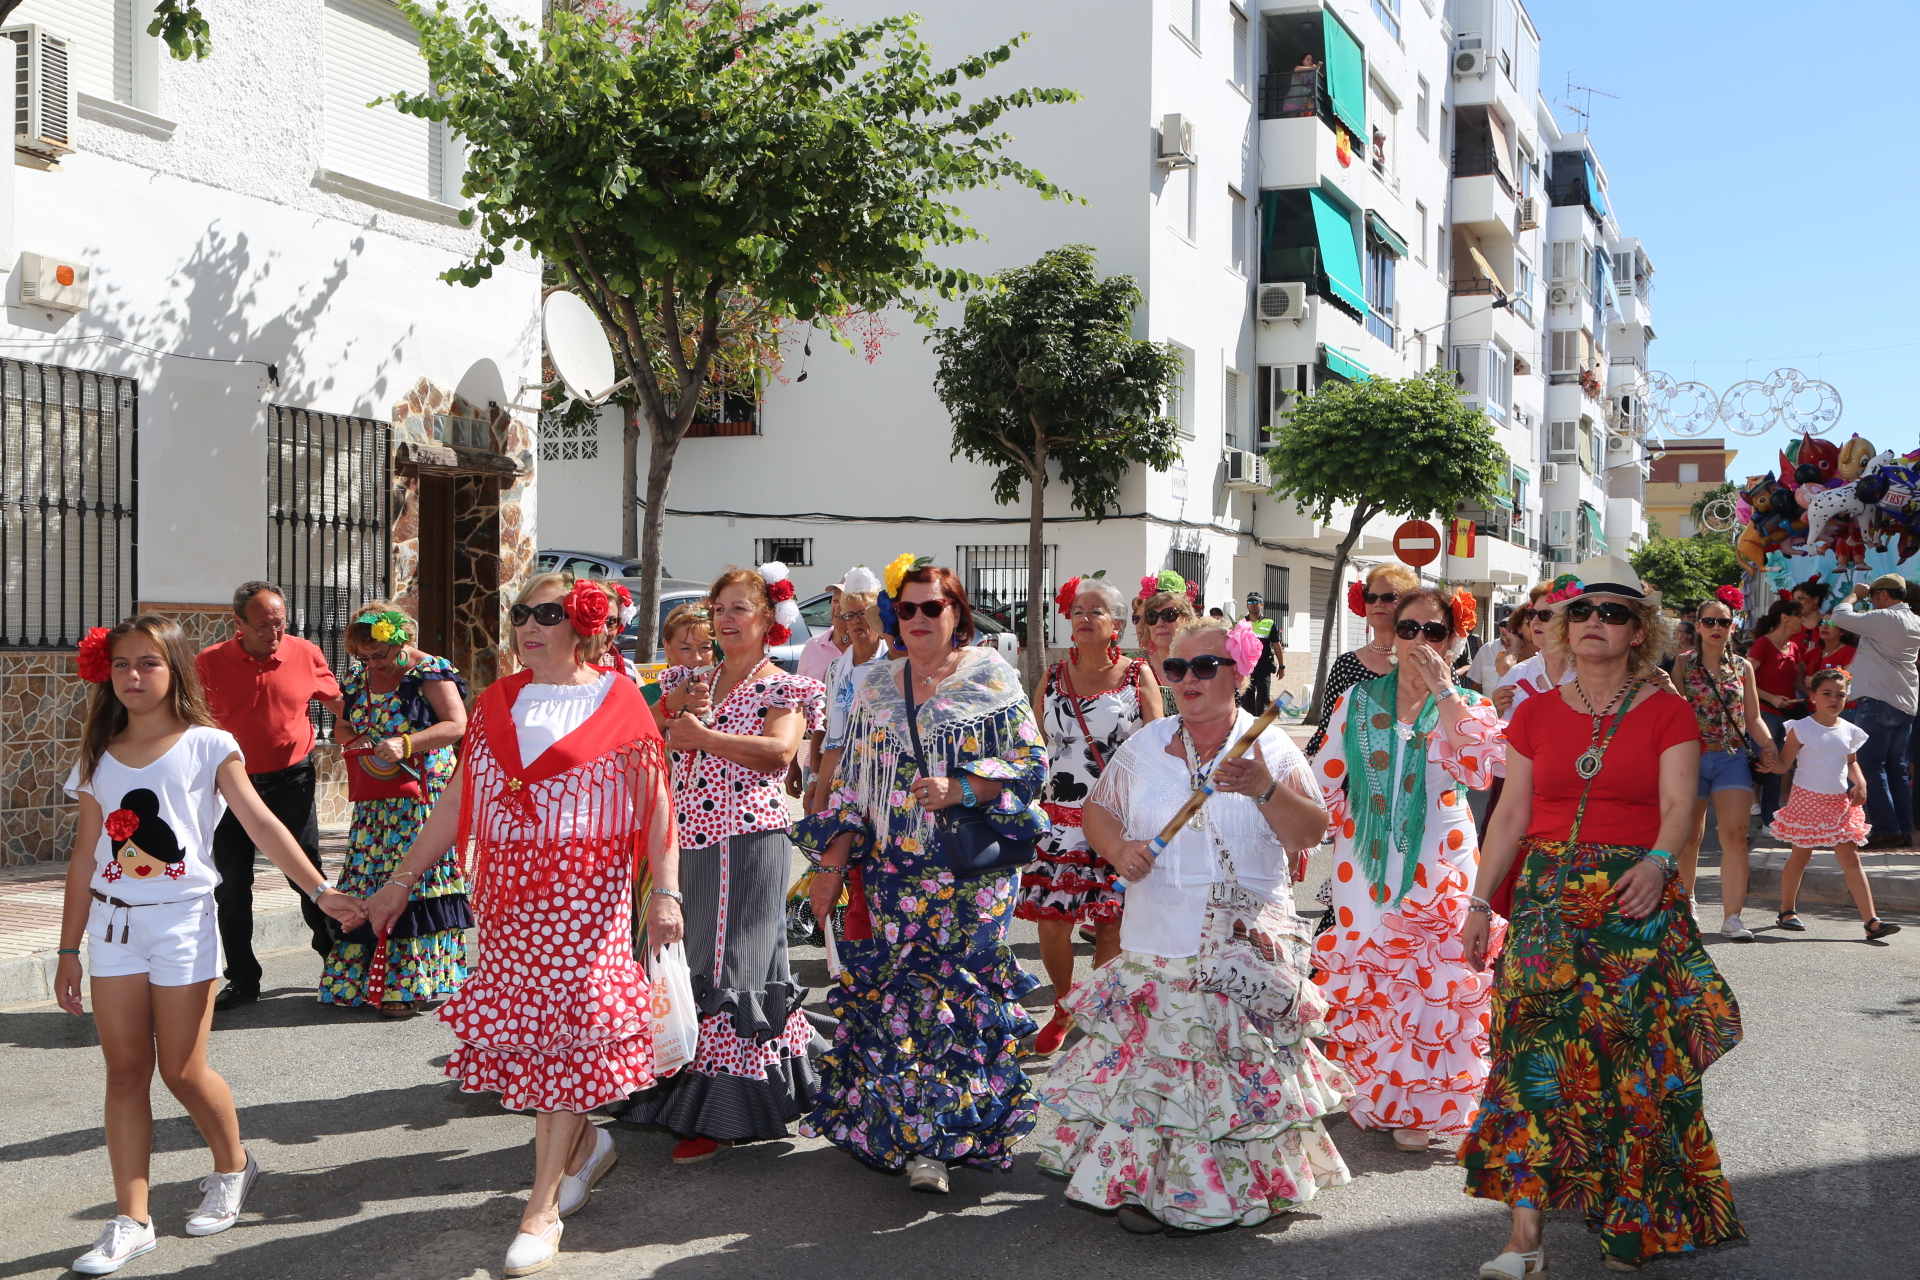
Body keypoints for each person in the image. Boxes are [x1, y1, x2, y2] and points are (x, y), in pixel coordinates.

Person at [366, 574, 682, 1277]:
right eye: (521, 613)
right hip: (509, 899)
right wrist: (398, 881)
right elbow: (457, 801)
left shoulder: (618, 698)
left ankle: (540, 1209)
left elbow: (657, 805)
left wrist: (667, 893)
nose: (529, 626)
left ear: (583, 626)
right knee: (538, 1037)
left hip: (586, 895)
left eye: (548, 614)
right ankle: (584, 1150)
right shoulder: (495, 703)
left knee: (567, 1032)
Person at [53, 617, 364, 1276]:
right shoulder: (98, 753)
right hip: (113, 929)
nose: (134, 677)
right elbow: (85, 857)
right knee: (125, 1072)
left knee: (182, 1071)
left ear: (174, 671)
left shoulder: (206, 745)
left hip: (182, 924)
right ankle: (131, 1220)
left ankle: (234, 1166)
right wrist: (66, 949)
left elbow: (260, 821)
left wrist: (319, 891)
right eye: (123, 666)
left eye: (149, 664)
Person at [1460, 557, 1741, 1276]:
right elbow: (1511, 815)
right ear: (1560, 626)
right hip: (1547, 904)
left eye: (1613, 614)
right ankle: (1524, 1240)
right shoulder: (1534, 713)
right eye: (1581, 612)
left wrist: (1655, 864)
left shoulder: (1667, 709)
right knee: (1530, 1064)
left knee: (1629, 1066)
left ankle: (1632, 1226)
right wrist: (1480, 900)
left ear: (1639, 631)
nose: (1594, 623)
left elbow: (1680, 806)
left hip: (1633, 903)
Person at [1036, 617, 1350, 1233]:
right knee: (1158, 1075)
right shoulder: (1145, 745)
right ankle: (1146, 1189)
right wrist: (1118, 847)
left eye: (1204, 667)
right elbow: (1097, 809)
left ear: (1238, 674)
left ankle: (1238, 1188)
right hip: (1157, 938)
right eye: (1175, 669)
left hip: (1241, 946)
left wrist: (1263, 788)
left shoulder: (1274, 748)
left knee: (1235, 1080)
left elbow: (1311, 833)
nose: (1187, 680)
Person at [796, 554, 1048, 1195]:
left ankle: (959, 1132)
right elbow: (852, 787)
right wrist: (829, 869)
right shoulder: (876, 685)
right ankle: (921, 1140)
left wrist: (963, 786)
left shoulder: (991, 675)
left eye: (930, 607)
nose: (916, 618)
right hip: (895, 876)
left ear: (956, 613)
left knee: (959, 1000)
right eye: (904, 609)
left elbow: (1031, 763)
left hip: (971, 876)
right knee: (908, 1002)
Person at [611, 563, 824, 1163]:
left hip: (747, 838)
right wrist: (672, 710)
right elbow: (641, 729)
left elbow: (780, 752)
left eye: (740, 609)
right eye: (720, 609)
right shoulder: (693, 678)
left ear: (766, 621)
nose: (728, 620)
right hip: (687, 836)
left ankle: (725, 1108)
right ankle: (688, 1089)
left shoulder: (781, 684)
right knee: (686, 956)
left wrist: (704, 737)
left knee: (731, 963)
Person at [1310, 586, 1504, 1152]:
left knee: (1435, 979)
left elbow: (1479, 771)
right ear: (1391, 636)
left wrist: (1445, 689)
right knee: (1370, 969)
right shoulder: (1357, 700)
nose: (1419, 641)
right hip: (1363, 862)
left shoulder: (1470, 705)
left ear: (1455, 639)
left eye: (1434, 631)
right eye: (1408, 629)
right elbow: (1324, 779)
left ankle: (1424, 1104)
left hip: (1441, 859)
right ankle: (1374, 1091)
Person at [1017, 575, 1161, 1055]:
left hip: (1117, 820)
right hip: (1060, 821)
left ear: (1116, 623)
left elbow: (1159, 748)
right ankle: (1063, 1004)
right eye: (1078, 610)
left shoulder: (1137, 675)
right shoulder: (1053, 676)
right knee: (1052, 922)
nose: (1082, 617)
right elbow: (1032, 744)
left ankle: (1101, 1011)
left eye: (1094, 610)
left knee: (1109, 924)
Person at [195, 581, 345, 1010]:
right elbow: (189, 719)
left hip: (290, 780)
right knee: (233, 884)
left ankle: (337, 966)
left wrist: (369, 725)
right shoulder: (208, 663)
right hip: (229, 787)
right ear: (238, 623)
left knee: (308, 875)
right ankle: (243, 980)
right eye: (263, 625)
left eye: (279, 623)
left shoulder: (304, 652)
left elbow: (338, 703)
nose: (273, 632)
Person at [321, 602, 470, 1015]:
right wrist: (353, 741)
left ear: (401, 641)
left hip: (421, 795)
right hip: (375, 795)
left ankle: (404, 984)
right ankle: (361, 978)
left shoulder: (430, 671)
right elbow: (344, 724)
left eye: (379, 655)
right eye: (364, 656)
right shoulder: (358, 676)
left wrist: (405, 744)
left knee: (411, 878)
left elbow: (456, 725)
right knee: (370, 872)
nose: (372, 663)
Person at [1672, 591, 1779, 941]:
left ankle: (1733, 917)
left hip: (1731, 756)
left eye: (1724, 622)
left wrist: (1768, 745)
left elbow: (1753, 717)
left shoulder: (1743, 666)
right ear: (1698, 626)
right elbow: (1671, 713)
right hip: (1691, 756)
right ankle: (1687, 904)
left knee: (1734, 833)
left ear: (1733, 628)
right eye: (1709, 621)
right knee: (1690, 839)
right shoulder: (1683, 663)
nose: (1717, 627)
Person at [1769, 668, 1901, 940]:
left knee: (1851, 860)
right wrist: (1769, 763)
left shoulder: (1851, 731)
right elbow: (1784, 764)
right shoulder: (1801, 727)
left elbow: (1850, 762)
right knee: (1800, 856)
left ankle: (1871, 921)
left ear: (1847, 698)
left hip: (1838, 804)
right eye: (1826, 693)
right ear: (1813, 696)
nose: (1834, 699)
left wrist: (1860, 782)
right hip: (1806, 800)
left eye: (1840, 695)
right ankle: (1786, 911)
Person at [1835, 574, 1920, 848]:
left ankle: (1886, 829)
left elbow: (1839, 615)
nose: (1870, 601)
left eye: (1873, 596)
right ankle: (1902, 830)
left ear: (1883, 595)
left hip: (1879, 701)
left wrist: (1855, 594)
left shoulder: (1884, 618)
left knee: (1871, 766)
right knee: (1897, 769)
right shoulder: (1915, 621)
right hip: (1904, 703)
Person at [1304, 563, 1419, 756]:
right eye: (1371, 597)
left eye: (1389, 597)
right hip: (1354, 773)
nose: (1378, 604)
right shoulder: (1347, 664)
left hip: (1412, 770)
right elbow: (1329, 727)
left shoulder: (1427, 660)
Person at [1747, 598, 1806, 832]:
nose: (1802, 620)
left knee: (1781, 766)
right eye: (1799, 615)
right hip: (1765, 714)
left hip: (1789, 714)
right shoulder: (1763, 644)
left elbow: (1799, 683)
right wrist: (1770, 697)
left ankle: (1773, 818)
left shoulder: (1794, 647)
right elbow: (1744, 678)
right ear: (1785, 617)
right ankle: (1766, 820)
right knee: (1767, 764)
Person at [1136, 572, 1199, 715]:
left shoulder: (1203, 666)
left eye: (1169, 615)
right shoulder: (1132, 668)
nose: (1159, 623)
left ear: (1187, 618)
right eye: (1152, 616)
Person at [1238, 591, 1279, 715]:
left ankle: (1261, 729)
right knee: (1246, 702)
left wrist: (1282, 666)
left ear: (1262, 604)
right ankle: (1249, 730)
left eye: (1256, 601)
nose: (1253, 604)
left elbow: (1276, 645)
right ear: (1247, 605)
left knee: (1263, 701)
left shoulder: (1270, 623)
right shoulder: (1241, 623)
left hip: (1264, 668)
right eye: (1250, 601)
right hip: (1247, 669)